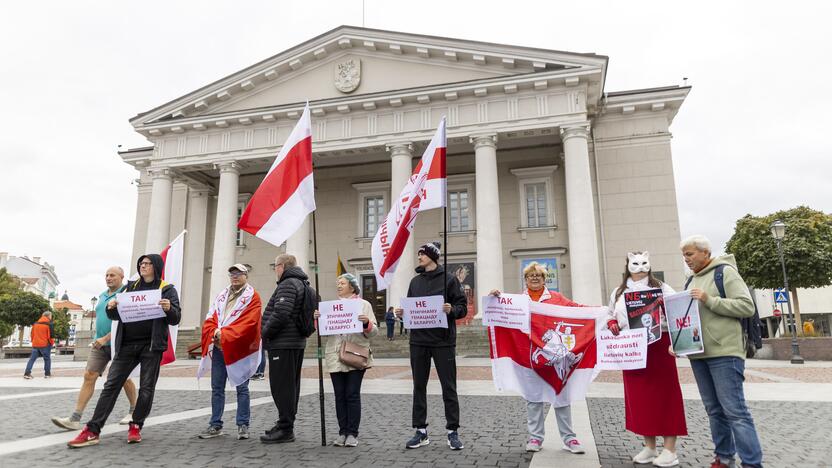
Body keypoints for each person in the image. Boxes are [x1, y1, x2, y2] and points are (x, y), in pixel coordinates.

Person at [67, 253, 181, 448]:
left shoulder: (167, 289)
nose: (143, 266)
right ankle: (93, 430)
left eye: (147, 263)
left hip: (151, 346)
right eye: (141, 263)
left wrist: (169, 308)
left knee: (146, 388)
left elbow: (175, 318)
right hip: (127, 344)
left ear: (156, 266)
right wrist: (112, 308)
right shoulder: (130, 287)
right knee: (111, 385)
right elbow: (116, 315)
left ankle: (136, 425)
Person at [680, 235, 763, 468]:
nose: (686, 259)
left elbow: (746, 306)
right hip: (699, 355)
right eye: (684, 255)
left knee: (735, 411)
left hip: (725, 353)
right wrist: (678, 342)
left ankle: (752, 464)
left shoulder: (724, 272)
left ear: (705, 252)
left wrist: (710, 300)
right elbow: (688, 319)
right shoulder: (689, 282)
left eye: (690, 254)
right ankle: (724, 458)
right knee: (714, 410)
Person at [490, 262, 587, 455]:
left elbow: (577, 309)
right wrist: (495, 298)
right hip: (528, 357)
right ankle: (535, 437)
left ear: (544, 279)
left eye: (538, 276)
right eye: (530, 276)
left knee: (561, 396)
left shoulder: (557, 298)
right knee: (533, 398)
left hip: (555, 359)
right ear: (525, 280)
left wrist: (600, 312)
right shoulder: (517, 300)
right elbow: (501, 311)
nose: (534, 278)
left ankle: (569, 438)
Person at [607, 252, 687, 467]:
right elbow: (609, 313)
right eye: (635, 263)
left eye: (644, 263)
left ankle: (670, 449)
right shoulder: (618, 292)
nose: (640, 267)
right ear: (628, 265)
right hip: (631, 348)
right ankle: (649, 446)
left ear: (649, 265)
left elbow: (680, 308)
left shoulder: (662, 286)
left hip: (659, 346)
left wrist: (664, 304)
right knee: (639, 397)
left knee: (666, 394)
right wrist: (611, 323)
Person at [394, 241, 468, 451]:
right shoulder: (415, 281)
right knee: (418, 386)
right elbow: (410, 308)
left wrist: (451, 309)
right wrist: (402, 313)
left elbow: (461, 307)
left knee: (449, 387)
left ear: (433, 257)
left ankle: (452, 431)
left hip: (443, 341)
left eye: (423, 254)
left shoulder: (450, 280)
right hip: (418, 341)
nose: (419, 257)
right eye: (418, 254)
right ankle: (420, 431)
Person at [51, 267, 138, 430]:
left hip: (119, 343)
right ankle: (75, 418)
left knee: (124, 378)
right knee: (89, 375)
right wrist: (99, 337)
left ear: (121, 277)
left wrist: (106, 338)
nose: (108, 278)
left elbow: (127, 322)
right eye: (106, 275)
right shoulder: (102, 295)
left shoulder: (126, 295)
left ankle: (134, 411)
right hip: (99, 344)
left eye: (112, 275)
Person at [198, 264, 262, 441]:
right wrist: (215, 332)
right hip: (219, 348)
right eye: (232, 274)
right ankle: (215, 424)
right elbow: (211, 317)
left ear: (246, 276)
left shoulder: (252, 297)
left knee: (242, 387)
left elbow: (249, 323)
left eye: (238, 274)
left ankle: (243, 424)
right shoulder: (221, 295)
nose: (234, 276)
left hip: (239, 350)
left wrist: (223, 333)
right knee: (217, 388)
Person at [313, 273, 378, 447]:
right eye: (338, 283)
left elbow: (374, 332)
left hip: (355, 354)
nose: (339, 285)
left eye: (342, 283)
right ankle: (342, 432)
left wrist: (366, 323)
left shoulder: (364, 305)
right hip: (335, 355)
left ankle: (352, 433)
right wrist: (318, 320)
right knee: (339, 396)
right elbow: (323, 332)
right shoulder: (331, 306)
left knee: (352, 394)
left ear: (352, 286)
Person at [260, 254, 314, 444]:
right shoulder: (304, 284)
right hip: (295, 342)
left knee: (282, 387)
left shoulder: (288, 284)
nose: (275, 269)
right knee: (290, 386)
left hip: (283, 343)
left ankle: (286, 429)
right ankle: (285, 423)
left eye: (275, 266)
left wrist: (265, 332)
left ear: (281, 266)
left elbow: (281, 313)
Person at [23, 311, 54, 379]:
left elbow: (32, 334)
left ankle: (27, 373)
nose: (51, 317)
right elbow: (50, 336)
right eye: (51, 316)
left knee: (32, 359)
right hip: (45, 345)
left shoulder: (35, 324)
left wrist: (33, 341)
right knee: (47, 359)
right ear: (48, 316)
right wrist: (51, 343)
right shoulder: (49, 324)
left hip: (35, 344)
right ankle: (47, 374)